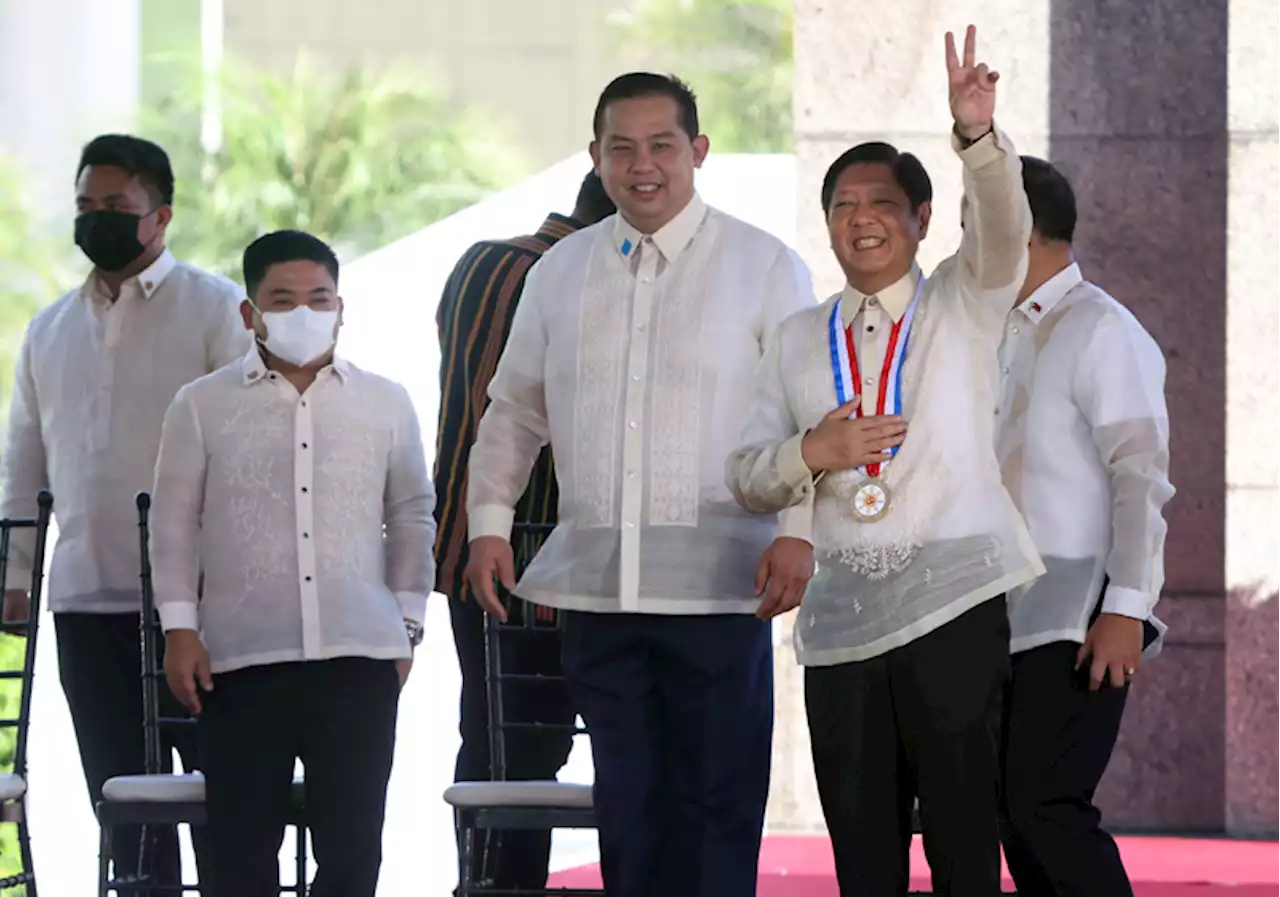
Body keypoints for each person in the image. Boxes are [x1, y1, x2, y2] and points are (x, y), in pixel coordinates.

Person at [465, 72, 816, 897]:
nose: (642, 164)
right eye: (621, 147)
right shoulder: (559, 273)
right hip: (599, 597)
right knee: (628, 808)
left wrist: (800, 530)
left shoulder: (765, 265)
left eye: (662, 144)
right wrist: (489, 520)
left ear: (698, 151)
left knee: (716, 804)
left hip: (722, 592)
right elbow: (514, 409)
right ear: (595, 157)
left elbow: (811, 414)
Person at [725, 26, 1044, 897]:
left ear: (919, 220)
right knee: (863, 855)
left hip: (951, 600)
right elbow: (748, 471)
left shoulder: (963, 300)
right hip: (843, 619)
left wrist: (977, 139)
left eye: (879, 203)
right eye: (842, 205)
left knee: (963, 843)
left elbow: (1007, 232)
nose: (860, 219)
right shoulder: (798, 337)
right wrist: (811, 452)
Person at [152, 230, 435, 897]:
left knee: (352, 853)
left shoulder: (386, 400)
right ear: (249, 312)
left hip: (359, 657)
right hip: (240, 661)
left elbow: (413, 513)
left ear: (342, 307)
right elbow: (172, 522)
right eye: (283, 299)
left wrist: (407, 621)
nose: (304, 313)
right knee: (242, 855)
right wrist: (179, 628)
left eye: (319, 298)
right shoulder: (201, 404)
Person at [0, 133, 248, 892]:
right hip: (84, 599)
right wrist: (14, 577)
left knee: (224, 803)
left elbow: (244, 455)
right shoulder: (47, 330)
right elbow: (23, 466)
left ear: (160, 215)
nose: (96, 220)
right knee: (123, 806)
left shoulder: (215, 311)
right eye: (85, 206)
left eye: (115, 206)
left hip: (201, 611)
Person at [995, 156, 1172, 897]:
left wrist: (1126, 610)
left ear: (1020, 230)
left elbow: (1141, 477)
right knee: (1016, 812)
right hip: (1001, 613)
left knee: (1046, 807)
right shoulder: (993, 329)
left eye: (978, 225)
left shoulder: (1103, 329)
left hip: (1078, 616)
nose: (965, 243)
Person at [434, 170, 615, 893]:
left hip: (472, 558)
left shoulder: (480, 263)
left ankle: (488, 886)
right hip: (556, 564)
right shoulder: (584, 280)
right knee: (608, 761)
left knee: (495, 751)